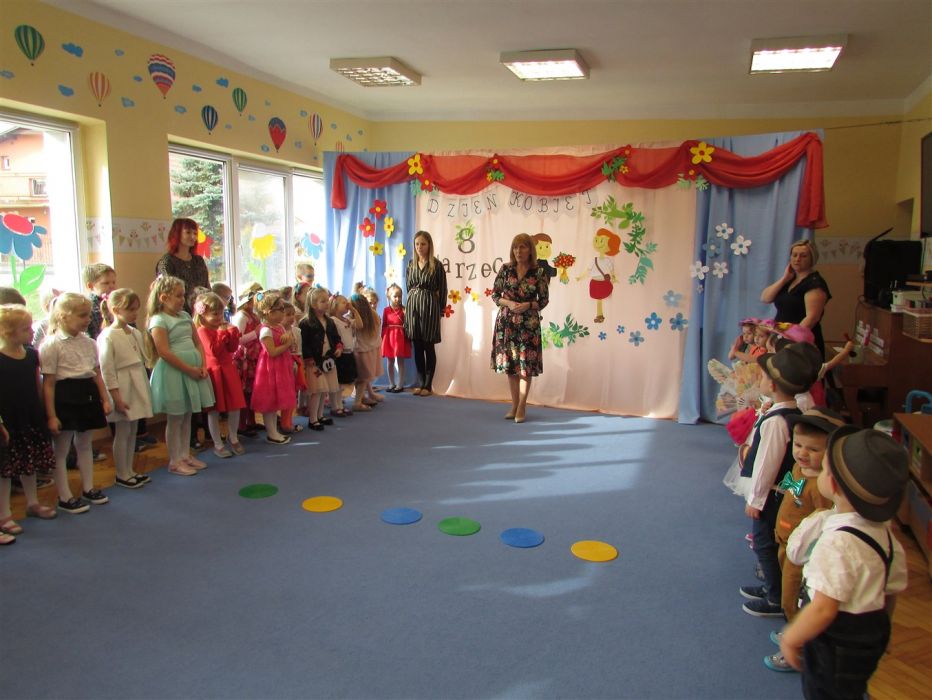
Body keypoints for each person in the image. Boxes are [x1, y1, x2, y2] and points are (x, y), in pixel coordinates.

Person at [780, 427, 909, 698]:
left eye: (824, 469)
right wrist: (884, 631)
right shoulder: (886, 535)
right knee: (851, 688)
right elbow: (890, 591)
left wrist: (791, 638)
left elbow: (824, 609)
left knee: (826, 691)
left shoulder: (836, 543)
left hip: (836, 640)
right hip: (872, 630)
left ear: (834, 485)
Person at [739, 343, 818, 617]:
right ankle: (773, 588)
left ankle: (775, 598)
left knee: (764, 543)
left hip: (771, 494)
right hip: (781, 492)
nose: (760, 380)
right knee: (770, 542)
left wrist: (756, 500)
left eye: (762, 377)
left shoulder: (776, 421)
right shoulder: (790, 412)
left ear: (772, 385)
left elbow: (766, 465)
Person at [762, 408, 842, 673]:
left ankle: (799, 644)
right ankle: (793, 628)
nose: (803, 453)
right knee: (787, 591)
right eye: (798, 445)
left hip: (802, 554)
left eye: (813, 449)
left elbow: (823, 523)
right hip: (785, 541)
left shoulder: (822, 487)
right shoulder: (798, 468)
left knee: (794, 596)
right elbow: (789, 493)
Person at [40, 293, 111, 513]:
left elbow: (96, 373)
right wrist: (52, 415)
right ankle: (64, 496)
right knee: (61, 449)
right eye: (82, 315)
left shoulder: (89, 342)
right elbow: (48, 384)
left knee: (85, 444)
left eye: (88, 315)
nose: (87, 319)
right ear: (63, 316)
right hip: (65, 397)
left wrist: (104, 398)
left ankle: (88, 488)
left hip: (87, 395)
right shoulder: (51, 344)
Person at [146, 275, 214, 477]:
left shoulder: (184, 316)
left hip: (192, 369)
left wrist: (202, 365)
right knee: (175, 418)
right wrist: (188, 369)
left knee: (187, 416)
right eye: (178, 296)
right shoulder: (158, 320)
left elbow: (197, 342)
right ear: (163, 297)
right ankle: (174, 460)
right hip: (174, 372)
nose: (182, 300)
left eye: (183, 295)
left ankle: (185, 455)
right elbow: (164, 351)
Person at [0, 304, 57, 540]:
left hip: (30, 415)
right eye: (26, 329)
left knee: (29, 462)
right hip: (8, 419)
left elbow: (37, 386)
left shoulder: (32, 355)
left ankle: (32, 503)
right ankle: (4, 514)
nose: (32, 331)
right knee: (6, 469)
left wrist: (45, 413)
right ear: (7, 332)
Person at [97, 288, 153, 489]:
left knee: (133, 431)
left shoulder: (135, 332)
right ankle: (121, 473)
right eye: (130, 310)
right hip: (122, 387)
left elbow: (142, 359)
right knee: (122, 432)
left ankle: (129, 470)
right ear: (115, 310)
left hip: (136, 382)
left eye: (136, 309)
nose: (134, 313)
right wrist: (116, 397)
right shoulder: (108, 336)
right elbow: (107, 369)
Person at [491, 233, 550, 424]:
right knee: (510, 366)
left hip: (528, 325)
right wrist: (508, 303)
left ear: (530, 250)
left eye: (523, 247)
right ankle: (514, 405)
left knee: (525, 367)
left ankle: (522, 406)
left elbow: (544, 300)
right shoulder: (505, 269)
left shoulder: (539, 272)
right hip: (506, 323)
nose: (518, 251)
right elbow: (495, 295)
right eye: (515, 247)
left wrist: (528, 305)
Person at [193, 292, 247, 458]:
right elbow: (214, 351)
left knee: (235, 405)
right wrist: (223, 333)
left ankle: (233, 437)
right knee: (214, 410)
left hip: (228, 370)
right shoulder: (202, 331)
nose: (219, 317)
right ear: (203, 315)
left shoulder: (220, 329)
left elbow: (232, 348)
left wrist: (232, 333)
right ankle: (217, 443)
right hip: (214, 372)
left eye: (221, 313)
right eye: (215, 314)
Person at [761, 240, 831, 358]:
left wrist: (790, 339)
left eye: (803, 256)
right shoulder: (789, 280)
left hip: (801, 342)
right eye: (794, 255)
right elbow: (765, 298)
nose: (797, 259)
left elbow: (812, 318)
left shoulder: (815, 283)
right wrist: (784, 278)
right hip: (781, 337)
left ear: (812, 259)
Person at [404, 230, 447, 396]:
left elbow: (442, 290)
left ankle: (428, 386)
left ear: (429, 245)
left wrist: (440, 311)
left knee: (428, 346)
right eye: (417, 244)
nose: (419, 247)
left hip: (430, 309)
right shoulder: (411, 264)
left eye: (423, 244)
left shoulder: (437, 265)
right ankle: (421, 383)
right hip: (413, 309)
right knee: (417, 347)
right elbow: (408, 287)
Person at [250, 291, 296, 444]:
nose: (283, 312)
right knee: (269, 401)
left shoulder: (279, 327)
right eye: (280, 309)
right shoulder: (265, 330)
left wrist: (288, 338)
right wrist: (287, 344)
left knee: (276, 400)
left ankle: (274, 431)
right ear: (268, 312)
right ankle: (271, 432)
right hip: (270, 369)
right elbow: (272, 352)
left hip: (281, 367)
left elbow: (288, 339)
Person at [300, 287, 342, 431]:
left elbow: (336, 338)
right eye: (322, 301)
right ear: (313, 304)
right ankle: (313, 419)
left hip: (328, 360)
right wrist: (308, 358)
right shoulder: (306, 323)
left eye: (326, 300)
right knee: (317, 390)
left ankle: (320, 415)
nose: (326, 303)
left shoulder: (329, 321)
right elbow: (304, 343)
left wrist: (339, 347)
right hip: (314, 363)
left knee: (325, 390)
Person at [155, 218, 211, 314]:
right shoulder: (167, 262)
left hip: (202, 313)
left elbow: (207, 286)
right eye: (188, 232)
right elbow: (167, 292)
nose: (193, 236)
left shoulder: (199, 260)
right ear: (177, 234)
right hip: (178, 314)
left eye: (195, 233)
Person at [232, 283, 263, 437]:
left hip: (253, 358)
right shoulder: (241, 317)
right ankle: (241, 425)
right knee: (244, 392)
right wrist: (255, 333)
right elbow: (238, 339)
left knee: (251, 392)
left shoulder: (253, 315)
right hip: (244, 359)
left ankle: (251, 421)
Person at [351, 284, 382, 411]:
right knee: (363, 378)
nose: (373, 305)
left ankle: (362, 398)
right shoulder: (366, 317)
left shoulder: (371, 316)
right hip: (363, 351)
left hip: (364, 350)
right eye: (370, 303)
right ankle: (357, 402)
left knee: (362, 377)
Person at [581, 228, 620, 324]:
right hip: (595, 282)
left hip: (602, 283)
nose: (598, 243)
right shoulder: (594, 260)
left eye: (601, 241)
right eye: (596, 240)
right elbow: (588, 270)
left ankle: (600, 315)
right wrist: (581, 277)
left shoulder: (607, 260)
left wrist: (614, 277)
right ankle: (600, 315)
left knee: (599, 300)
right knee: (599, 300)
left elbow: (611, 270)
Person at [329, 293, 358, 416]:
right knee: (337, 383)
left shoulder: (347, 320)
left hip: (348, 353)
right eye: (343, 302)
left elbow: (360, 324)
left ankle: (339, 405)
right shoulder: (333, 320)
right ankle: (335, 406)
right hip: (340, 354)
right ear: (335, 305)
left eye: (347, 302)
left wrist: (353, 310)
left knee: (342, 383)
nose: (347, 304)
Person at [382, 283, 411, 393]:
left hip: (400, 338)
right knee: (390, 362)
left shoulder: (404, 310)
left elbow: (408, 324)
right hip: (389, 338)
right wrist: (383, 338)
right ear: (389, 296)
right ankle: (391, 383)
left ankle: (400, 384)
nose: (397, 299)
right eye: (395, 296)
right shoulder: (386, 310)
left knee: (400, 361)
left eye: (399, 296)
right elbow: (384, 325)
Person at [83, 263, 117, 340]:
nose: (112, 286)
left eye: (113, 282)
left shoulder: (116, 302)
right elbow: (92, 335)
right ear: (90, 286)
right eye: (106, 283)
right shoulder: (89, 307)